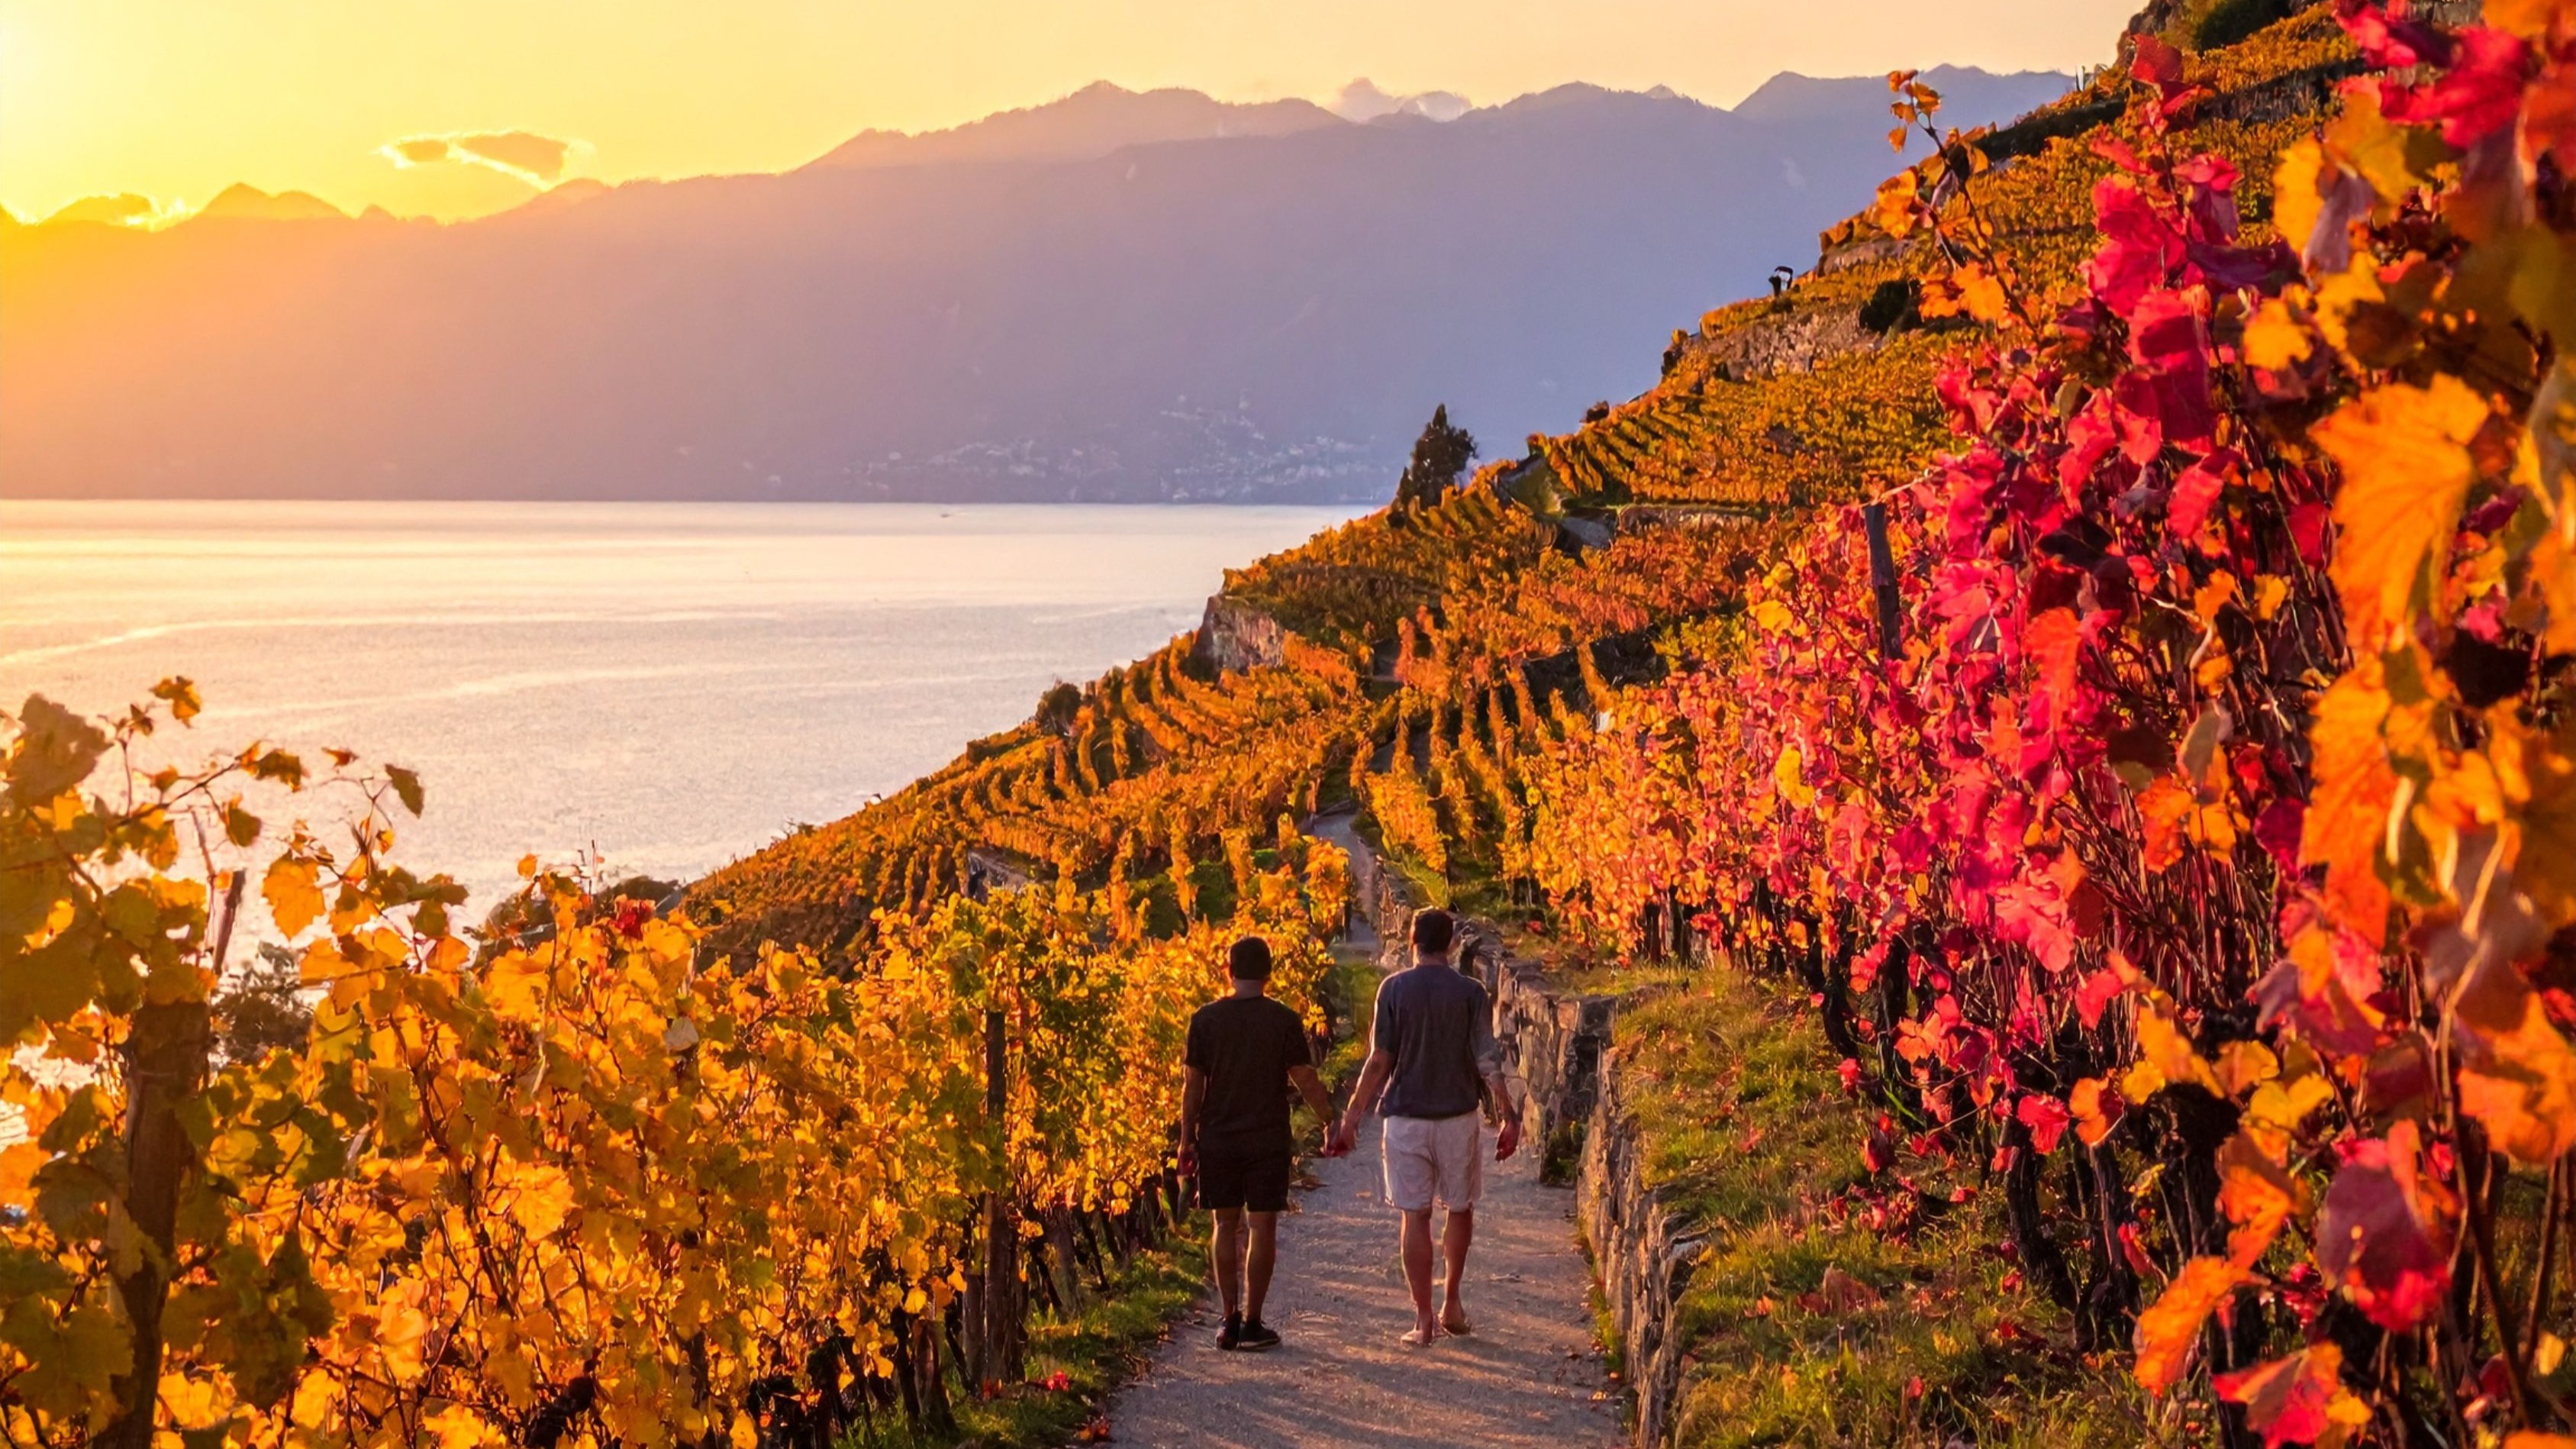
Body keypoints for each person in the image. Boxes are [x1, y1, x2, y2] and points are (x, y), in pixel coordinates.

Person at [1332, 908, 1521, 1347]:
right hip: (1457, 1116)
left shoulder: (1393, 989)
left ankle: (1422, 1320)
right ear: (1452, 942)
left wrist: (1351, 1119)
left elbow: (1380, 1061)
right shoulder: (1470, 993)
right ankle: (1451, 1303)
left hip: (1405, 1119)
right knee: (1459, 1207)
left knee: (1414, 1215)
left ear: (1413, 939)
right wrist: (1509, 1115)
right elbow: (1487, 1060)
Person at [1178, 935, 1341, 1352]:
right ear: (1269, 974)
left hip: (1219, 1135)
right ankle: (1254, 1323)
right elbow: (1303, 1076)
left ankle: (1228, 1319)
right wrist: (1330, 1119)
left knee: (1223, 1224)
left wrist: (1186, 1140)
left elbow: (1192, 1085)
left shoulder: (1206, 1019)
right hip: (1267, 1136)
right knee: (1263, 1225)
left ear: (1228, 972)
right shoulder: (1283, 1020)